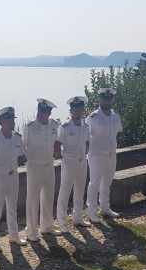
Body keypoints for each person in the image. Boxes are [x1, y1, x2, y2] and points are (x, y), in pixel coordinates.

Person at [22, 98, 62, 241]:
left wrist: (59, 152)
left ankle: (47, 226)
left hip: (49, 165)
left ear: (49, 113)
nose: (42, 114)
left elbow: (56, 144)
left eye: (45, 112)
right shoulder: (30, 126)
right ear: (37, 110)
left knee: (48, 196)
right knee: (32, 199)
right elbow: (23, 146)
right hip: (34, 166)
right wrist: (31, 159)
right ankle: (31, 231)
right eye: (40, 111)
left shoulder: (54, 125)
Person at [0, 107, 28, 252]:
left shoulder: (17, 137)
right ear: (1, 122)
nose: (12, 122)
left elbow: (21, 155)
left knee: (13, 208)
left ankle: (14, 236)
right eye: (9, 120)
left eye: (13, 119)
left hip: (13, 175)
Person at [85, 88, 123, 222]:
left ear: (111, 100)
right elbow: (86, 137)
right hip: (96, 155)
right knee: (94, 183)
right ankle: (91, 211)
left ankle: (105, 208)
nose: (106, 101)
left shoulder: (115, 116)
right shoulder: (93, 117)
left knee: (107, 182)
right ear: (100, 100)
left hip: (111, 154)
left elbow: (116, 134)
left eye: (109, 99)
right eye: (104, 99)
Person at [55, 96, 92, 233]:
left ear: (83, 110)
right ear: (71, 111)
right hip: (69, 163)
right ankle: (62, 221)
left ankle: (78, 217)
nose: (77, 111)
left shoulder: (85, 127)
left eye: (79, 109)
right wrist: (61, 156)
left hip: (82, 162)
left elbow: (87, 141)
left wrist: (85, 152)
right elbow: (57, 144)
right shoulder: (64, 127)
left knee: (79, 191)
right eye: (74, 109)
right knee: (64, 192)